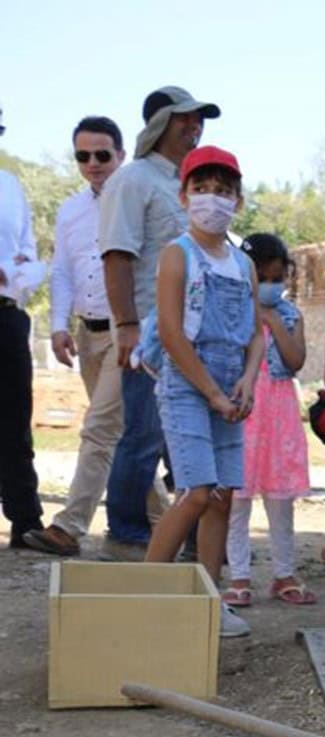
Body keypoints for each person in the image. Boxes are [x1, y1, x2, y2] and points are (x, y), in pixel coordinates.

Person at [144, 146, 262, 641]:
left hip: (230, 386)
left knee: (223, 496)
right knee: (195, 492)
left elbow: (256, 333)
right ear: (185, 194)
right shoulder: (178, 255)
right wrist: (212, 392)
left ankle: (209, 600)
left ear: (237, 198)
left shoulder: (242, 263)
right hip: (188, 383)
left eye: (223, 191)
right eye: (203, 189)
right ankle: (144, 595)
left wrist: (248, 380)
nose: (213, 199)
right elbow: (171, 333)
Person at [100, 86, 218, 562]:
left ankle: (195, 543)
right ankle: (125, 536)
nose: (195, 128)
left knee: (189, 438)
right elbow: (117, 255)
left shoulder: (192, 187)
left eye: (199, 121)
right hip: (149, 334)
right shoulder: (134, 180)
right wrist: (127, 325)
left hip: (196, 337)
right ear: (159, 125)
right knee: (144, 435)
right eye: (184, 120)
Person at [28, 118, 145, 556]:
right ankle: (164, 519)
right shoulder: (70, 210)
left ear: (121, 155)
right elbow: (62, 271)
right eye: (83, 155)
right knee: (118, 432)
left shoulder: (136, 201)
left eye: (102, 154)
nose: (93, 164)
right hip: (86, 331)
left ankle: (69, 526)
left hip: (126, 330)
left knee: (99, 428)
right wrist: (58, 325)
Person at [224, 232, 315, 608]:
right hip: (242, 413)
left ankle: (284, 573)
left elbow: (295, 361)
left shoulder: (291, 314)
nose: (271, 285)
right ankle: (239, 576)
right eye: (264, 277)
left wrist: (273, 322)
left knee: (280, 500)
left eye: (278, 278)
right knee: (236, 500)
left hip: (279, 416)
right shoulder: (228, 309)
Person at [0, 107, 48, 549]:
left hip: (5, 315)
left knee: (14, 420)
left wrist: (21, 273)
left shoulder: (11, 188)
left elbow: (29, 256)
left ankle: (25, 520)